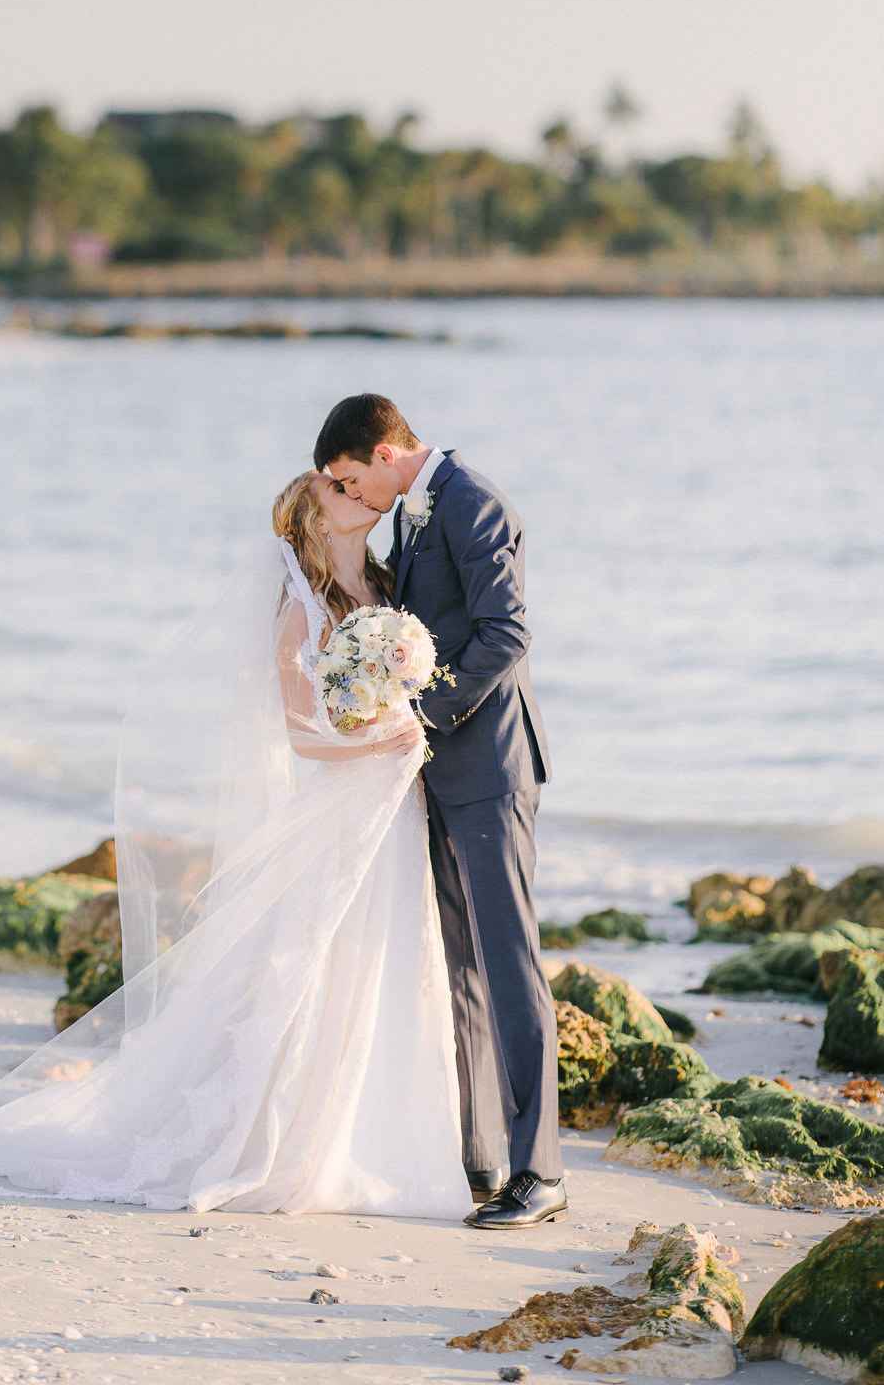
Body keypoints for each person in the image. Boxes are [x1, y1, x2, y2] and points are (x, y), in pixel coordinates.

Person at [0, 471, 472, 1220]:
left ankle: (366, 1138)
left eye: (351, 482)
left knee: (378, 960)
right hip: (346, 797)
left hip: (392, 805)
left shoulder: (383, 584)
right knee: (306, 963)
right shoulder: (297, 613)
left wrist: (400, 725)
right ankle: (282, 1142)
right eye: (335, 491)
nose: (356, 494)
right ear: (313, 520)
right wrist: (381, 746)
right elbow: (304, 739)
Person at [315, 392, 563, 1232]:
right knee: (458, 968)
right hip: (434, 773)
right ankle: (479, 1155)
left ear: (384, 452)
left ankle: (540, 1170)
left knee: (508, 963)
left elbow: (505, 632)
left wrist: (419, 711)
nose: (352, 499)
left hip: (488, 766)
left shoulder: (472, 503)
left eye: (351, 481)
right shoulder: (412, 515)